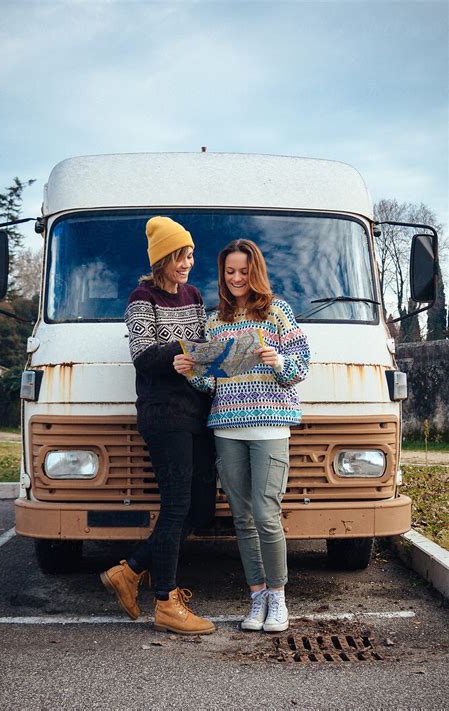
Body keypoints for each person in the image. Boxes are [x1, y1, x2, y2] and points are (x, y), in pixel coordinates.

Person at [174, 239, 310, 632]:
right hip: (227, 427)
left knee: (266, 515)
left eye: (243, 271)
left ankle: (279, 599)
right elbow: (210, 382)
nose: (236, 278)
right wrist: (191, 370)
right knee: (242, 518)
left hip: (270, 425)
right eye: (229, 272)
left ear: (256, 271)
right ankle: (257, 597)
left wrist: (278, 359)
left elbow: (300, 366)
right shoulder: (215, 321)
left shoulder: (278, 313)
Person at [101, 216, 217, 635]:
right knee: (176, 507)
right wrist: (182, 352)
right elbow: (143, 355)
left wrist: (214, 352)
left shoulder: (194, 294)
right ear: (163, 258)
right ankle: (166, 602)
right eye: (181, 256)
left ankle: (130, 571)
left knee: (201, 508)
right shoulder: (140, 298)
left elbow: (204, 345)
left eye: (190, 255)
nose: (188, 262)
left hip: (198, 413)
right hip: (164, 415)